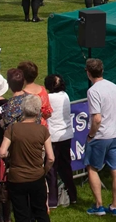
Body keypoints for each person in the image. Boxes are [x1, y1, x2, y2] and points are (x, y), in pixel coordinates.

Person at [0, 95, 54, 222]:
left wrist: (10, 155)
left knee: (21, 214)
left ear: (22, 109)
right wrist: (44, 171)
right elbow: (51, 158)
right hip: (37, 176)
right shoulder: (42, 130)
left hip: (16, 178)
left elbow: (2, 152)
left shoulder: (12, 129)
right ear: (38, 110)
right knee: (41, 212)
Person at [83, 58, 116, 216]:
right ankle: (115, 206)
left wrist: (91, 135)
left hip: (101, 136)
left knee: (92, 168)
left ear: (88, 72)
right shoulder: (114, 87)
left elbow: (97, 118)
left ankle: (99, 206)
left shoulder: (93, 91)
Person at [43, 74, 76, 209]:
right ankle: (72, 195)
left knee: (52, 169)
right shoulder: (65, 96)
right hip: (66, 135)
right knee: (66, 167)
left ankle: (52, 200)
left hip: (54, 137)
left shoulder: (49, 98)